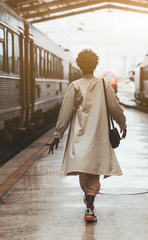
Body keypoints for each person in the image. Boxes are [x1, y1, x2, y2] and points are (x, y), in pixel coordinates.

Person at [48, 49, 127, 222]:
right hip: (98, 135)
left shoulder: (75, 85)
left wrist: (58, 134)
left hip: (79, 135)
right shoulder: (104, 84)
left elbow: (65, 112)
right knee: (93, 170)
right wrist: (123, 124)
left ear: (79, 65)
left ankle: (89, 204)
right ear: (95, 65)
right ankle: (89, 205)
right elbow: (115, 108)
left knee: (85, 170)